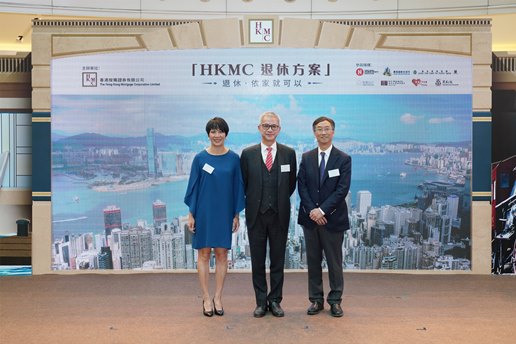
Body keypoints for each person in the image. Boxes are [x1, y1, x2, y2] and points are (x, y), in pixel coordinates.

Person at [184, 117, 245, 317]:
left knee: (221, 254)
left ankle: (218, 296)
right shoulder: (199, 158)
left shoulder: (234, 159)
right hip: (203, 212)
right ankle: (205, 297)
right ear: (208, 134)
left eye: (220, 131)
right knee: (203, 254)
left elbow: (238, 188)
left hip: (224, 212)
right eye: (213, 131)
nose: (217, 135)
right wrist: (191, 214)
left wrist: (236, 214)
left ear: (226, 134)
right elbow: (193, 187)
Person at [240, 111, 297, 318]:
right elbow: (244, 184)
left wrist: (277, 201)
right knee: (257, 261)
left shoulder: (289, 153)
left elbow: (290, 185)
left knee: (277, 261)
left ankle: (275, 301)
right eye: (266, 126)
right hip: (256, 215)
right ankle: (260, 302)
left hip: (279, 215)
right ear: (259, 128)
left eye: (273, 126)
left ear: (279, 129)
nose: (270, 129)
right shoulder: (247, 154)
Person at [297, 116, 351, 318]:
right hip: (310, 220)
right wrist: (313, 210)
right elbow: (301, 186)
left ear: (333, 132)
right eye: (319, 129)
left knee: (334, 262)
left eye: (327, 129)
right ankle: (316, 300)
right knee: (313, 261)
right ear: (314, 132)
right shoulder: (306, 157)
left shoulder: (343, 158)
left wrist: (322, 211)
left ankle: (335, 301)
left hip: (333, 219)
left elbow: (342, 189)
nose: (323, 132)